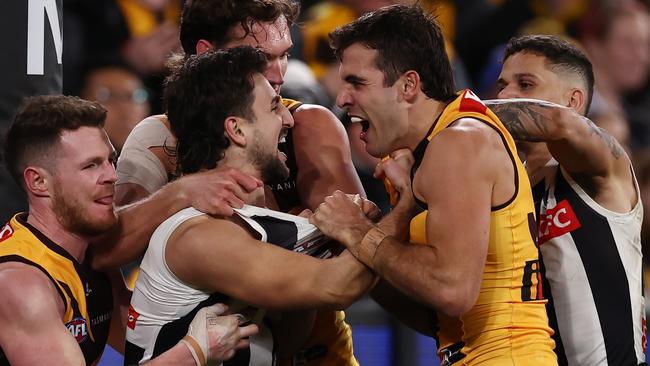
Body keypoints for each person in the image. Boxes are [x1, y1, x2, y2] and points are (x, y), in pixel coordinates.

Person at [117, 1, 366, 364]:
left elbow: (348, 249)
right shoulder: (161, 142)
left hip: (306, 347)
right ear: (207, 54)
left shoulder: (307, 124)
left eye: (285, 56)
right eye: (262, 58)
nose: (279, 74)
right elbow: (101, 253)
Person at [309, 4, 557, 364]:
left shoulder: (459, 141)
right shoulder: (441, 144)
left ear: (408, 85)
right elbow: (437, 318)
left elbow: (452, 290)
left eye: (357, 83)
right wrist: (357, 245)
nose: (342, 99)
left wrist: (361, 233)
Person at [0, 95, 258, 366]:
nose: (111, 175)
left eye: (111, 160)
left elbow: (137, 338)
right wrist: (193, 352)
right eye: (91, 165)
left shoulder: (83, 252)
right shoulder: (20, 284)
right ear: (39, 181)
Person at [488, 34, 644, 365]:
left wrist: (455, 115)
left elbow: (560, 124)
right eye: (501, 85)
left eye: (525, 84)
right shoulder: (504, 194)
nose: (505, 95)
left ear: (573, 101)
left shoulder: (605, 165)